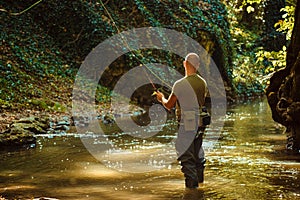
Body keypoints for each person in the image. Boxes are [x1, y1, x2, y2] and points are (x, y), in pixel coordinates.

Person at [155, 52, 208, 188]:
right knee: (198, 155)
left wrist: (161, 98)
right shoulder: (203, 82)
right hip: (201, 123)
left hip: (186, 125)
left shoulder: (179, 84)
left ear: (185, 64)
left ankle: (192, 192)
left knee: (186, 157)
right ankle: (201, 186)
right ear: (197, 65)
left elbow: (169, 105)